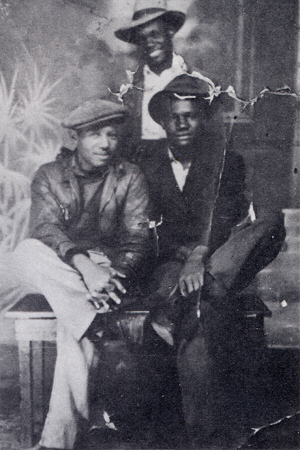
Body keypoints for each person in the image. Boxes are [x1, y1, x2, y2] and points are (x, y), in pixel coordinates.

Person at [137, 73, 286, 448]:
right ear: (163, 120)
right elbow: (142, 225)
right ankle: (207, 442)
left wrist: (202, 258)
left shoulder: (225, 160)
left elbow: (224, 218)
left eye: (190, 115)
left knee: (270, 222)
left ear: (203, 119)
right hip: (166, 262)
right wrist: (185, 257)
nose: (182, 123)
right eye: (174, 115)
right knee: (197, 318)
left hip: (212, 261)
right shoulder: (145, 162)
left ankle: (197, 291)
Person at [1, 99, 151, 450]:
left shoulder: (129, 177)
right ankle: (98, 397)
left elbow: (137, 240)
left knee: (75, 324)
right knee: (28, 251)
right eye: (94, 134)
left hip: (96, 278)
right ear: (74, 138)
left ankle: (56, 442)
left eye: (112, 134)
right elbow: (46, 230)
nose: (105, 143)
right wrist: (84, 265)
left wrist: (111, 272)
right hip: (50, 267)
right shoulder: (49, 176)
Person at [115, 0, 204, 160]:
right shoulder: (127, 90)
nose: (149, 43)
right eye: (142, 38)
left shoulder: (201, 82)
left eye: (155, 34)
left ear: (169, 32)